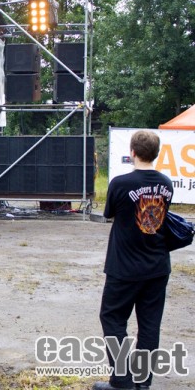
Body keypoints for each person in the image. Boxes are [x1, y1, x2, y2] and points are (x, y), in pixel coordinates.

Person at [93, 130, 173, 390]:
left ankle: (122, 381)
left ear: (133, 152)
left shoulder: (120, 183)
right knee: (149, 325)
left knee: (112, 318)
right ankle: (142, 382)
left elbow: (109, 214)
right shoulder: (167, 184)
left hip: (124, 266)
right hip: (157, 265)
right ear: (156, 154)